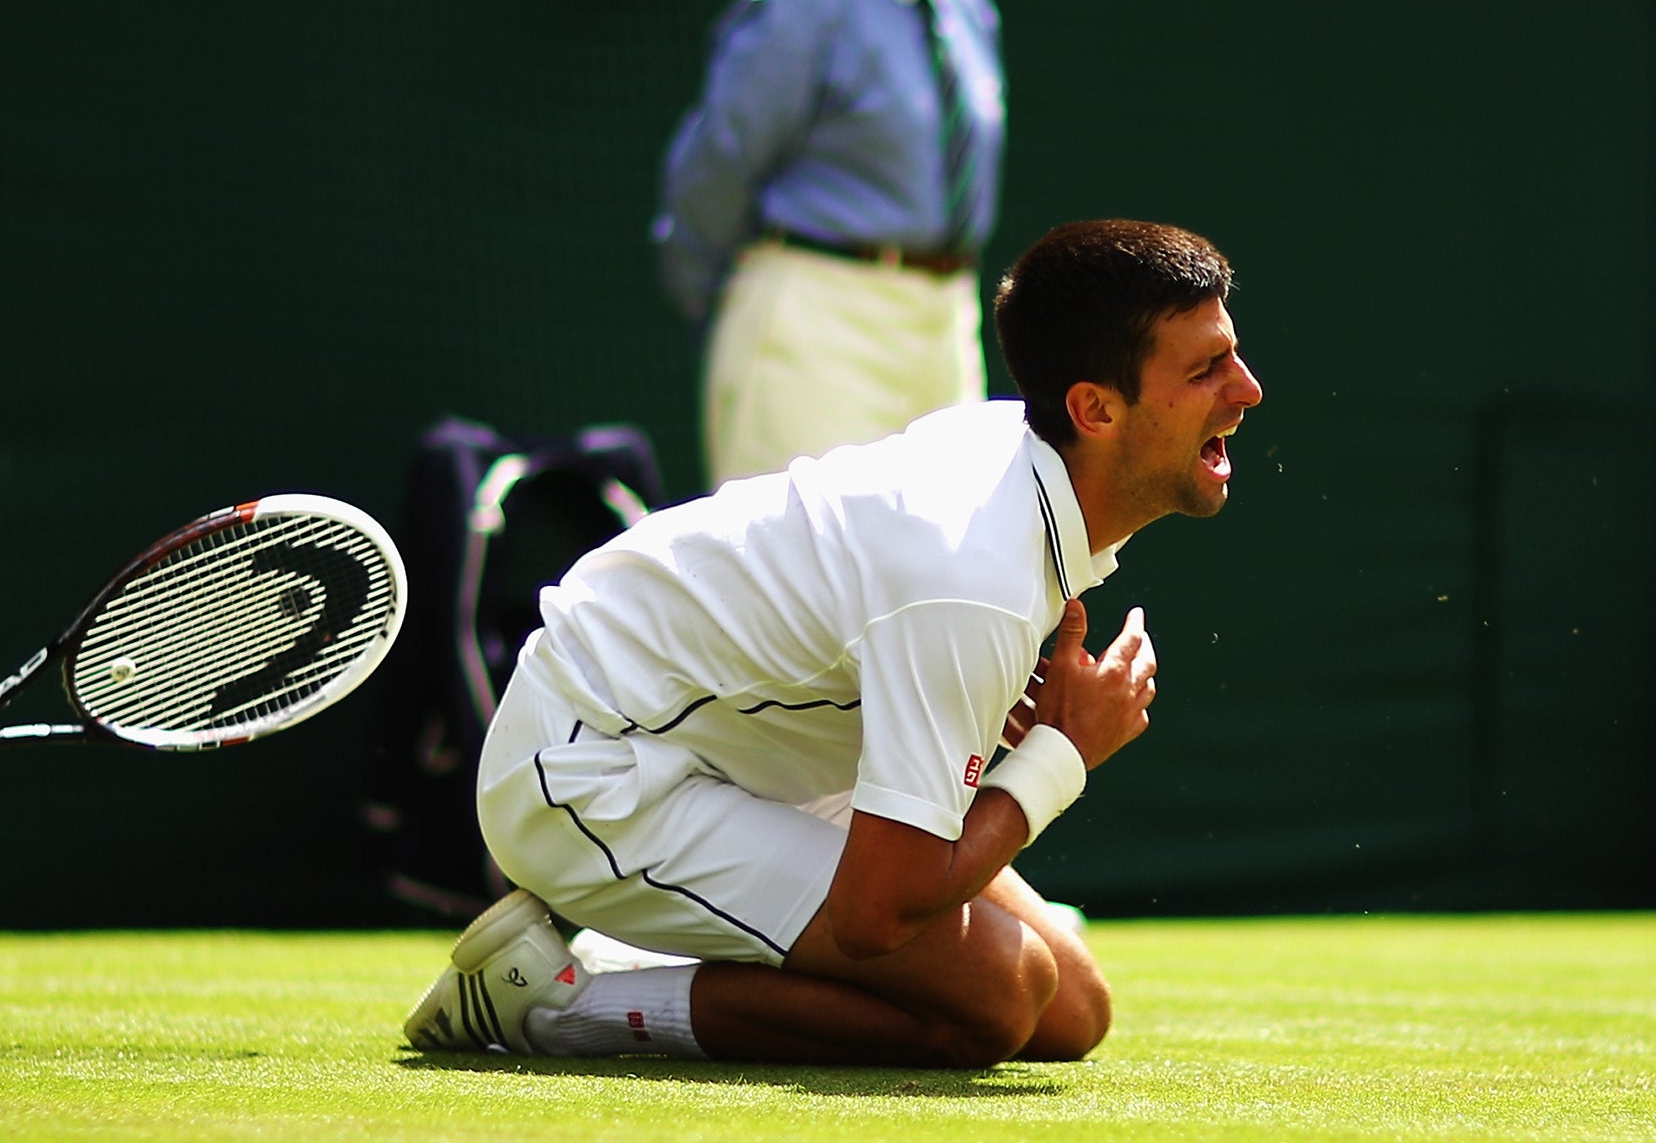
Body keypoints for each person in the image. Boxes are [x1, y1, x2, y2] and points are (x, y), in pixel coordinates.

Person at [404, 219, 1264, 1067]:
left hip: (736, 745)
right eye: (1206, 370)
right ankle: (554, 1003)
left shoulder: (1024, 468)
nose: (1247, 389)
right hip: (589, 768)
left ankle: (656, 951)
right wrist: (1061, 756)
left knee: (1069, 1009)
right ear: (1095, 409)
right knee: (996, 1001)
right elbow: (875, 917)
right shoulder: (974, 576)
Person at [654, 0, 1020, 487]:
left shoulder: (966, 2)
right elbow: (717, 165)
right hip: (813, 315)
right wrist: (727, 301)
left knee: (936, 574)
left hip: (945, 320)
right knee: (797, 577)